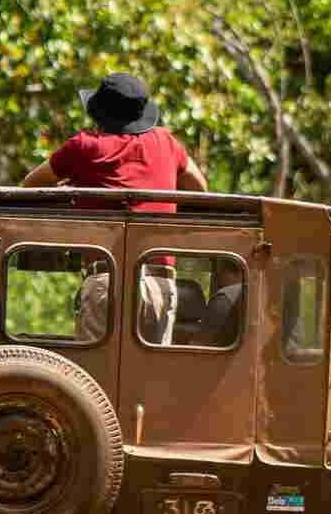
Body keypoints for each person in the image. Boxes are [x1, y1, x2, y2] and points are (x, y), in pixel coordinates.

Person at [19, 73, 207, 344]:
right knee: (151, 378)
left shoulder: (84, 146)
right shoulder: (166, 142)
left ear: (98, 114)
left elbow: (30, 185)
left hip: (106, 280)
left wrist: (74, 189)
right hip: (161, 283)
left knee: (94, 378)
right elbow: (200, 188)